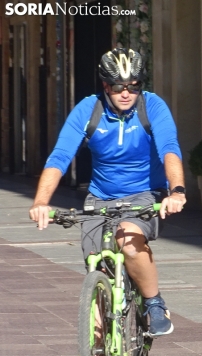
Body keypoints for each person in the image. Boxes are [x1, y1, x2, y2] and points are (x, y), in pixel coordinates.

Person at [29, 47, 186, 337]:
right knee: (97, 266)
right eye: (117, 86)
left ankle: (154, 303)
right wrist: (41, 202)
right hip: (100, 197)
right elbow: (60, 156)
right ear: (105, 86)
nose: (126, 93)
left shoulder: (152, 107)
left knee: (128, 239)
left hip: (144, 193)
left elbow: (169, 149)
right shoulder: (89, 110)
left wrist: (176, 191)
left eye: (133, 86)